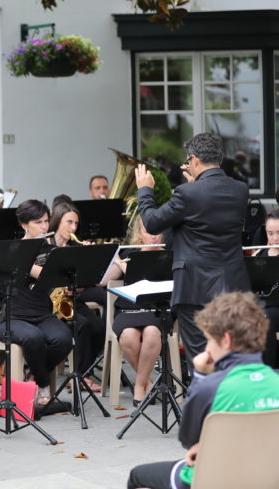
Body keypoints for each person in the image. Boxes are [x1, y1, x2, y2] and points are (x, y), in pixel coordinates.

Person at [127, 292, 279, 489]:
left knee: (137, 476)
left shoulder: (210, 386)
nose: (206, 348)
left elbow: (187, 439)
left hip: (211, 479)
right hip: (266, 479)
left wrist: (200, 376)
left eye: (209, 339)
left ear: (225, 340)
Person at [136, 132, 250, 368]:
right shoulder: (240, 189)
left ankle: (205, 403)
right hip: (232, 284)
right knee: (231, 356)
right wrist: (195, 187)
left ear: (194, 160)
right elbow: (208, 211)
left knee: (201, 359)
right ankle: (232, 403)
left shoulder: (189, 193)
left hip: (195, 287)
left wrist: (145, 190)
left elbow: (152, 222)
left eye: (188, 161)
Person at [2, 200, 73, 405]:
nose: (44, 226)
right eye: (38, 222)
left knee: (64, 338)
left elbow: (52, 277)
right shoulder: (11, 249)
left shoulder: (49, 249)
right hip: (12, 317)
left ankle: (33, 375)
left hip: (41, 314)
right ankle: (43, 384)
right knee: (33, 338)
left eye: (46, 221)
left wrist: (27, 266)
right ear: (24, 225)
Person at [103, 218, 164, 405]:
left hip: (157, 308)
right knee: (128, 336)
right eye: (148, 232)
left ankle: (139, 385)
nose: (153, 237)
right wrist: (111, 258)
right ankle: (147, 382)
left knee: (152, 333)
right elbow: (105, 281)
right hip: (128, 310)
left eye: (157, 232)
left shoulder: (169, 255)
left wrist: (125, 266)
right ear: (140, 234)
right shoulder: (129, 253)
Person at [48, 203, 106, 391]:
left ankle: (84, 372)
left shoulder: (75, 246)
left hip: (72, 299)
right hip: (51, 301)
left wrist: (90, 258)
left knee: (99, 327)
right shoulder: (46, 245)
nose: (73, 228)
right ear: (57, 221)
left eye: (76, 224)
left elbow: (87, 282)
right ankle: (79, 376)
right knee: (81, 324)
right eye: (69, 222)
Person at [251, 208, 279, 368]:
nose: (275, 238)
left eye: (278, 233)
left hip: (274, 310)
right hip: (262, 308)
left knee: (264, 319)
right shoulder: (260, 255)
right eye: (270, 233)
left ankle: (266, 372)